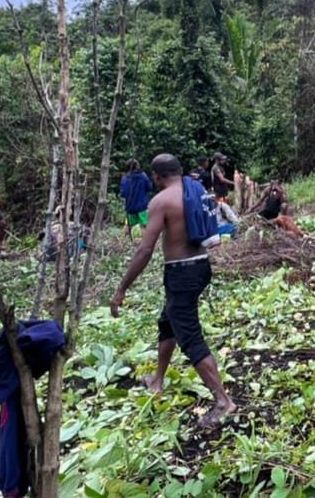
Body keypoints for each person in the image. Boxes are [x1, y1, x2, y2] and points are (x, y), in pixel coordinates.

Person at [110, 154, 235, 427]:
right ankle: (157, 380)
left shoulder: (161, 202)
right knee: (168, 322)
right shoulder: (197, 190)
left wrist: (122, 288)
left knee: (189, 337)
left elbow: (145, 250)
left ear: (156, 176)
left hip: (181, 272)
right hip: (200, 267)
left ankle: (223, 402)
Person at [119, 159, 153, 240]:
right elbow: (149, 188)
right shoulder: (143, 176)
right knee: (144, 225)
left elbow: (123, 193)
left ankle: (123, 241)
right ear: (137, 166)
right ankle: (145, 243)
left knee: (128, 225)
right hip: (142, 207)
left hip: (130, 206)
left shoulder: (126, 178)